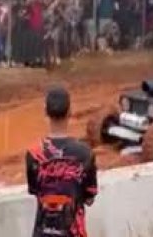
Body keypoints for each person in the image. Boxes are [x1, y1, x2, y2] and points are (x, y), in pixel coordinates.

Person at [26, 86, 98, 237]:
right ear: (70, 111)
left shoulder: (33, 154)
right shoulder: (84, 153)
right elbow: (89, 196)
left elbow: (35, 191)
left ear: (45, 111)